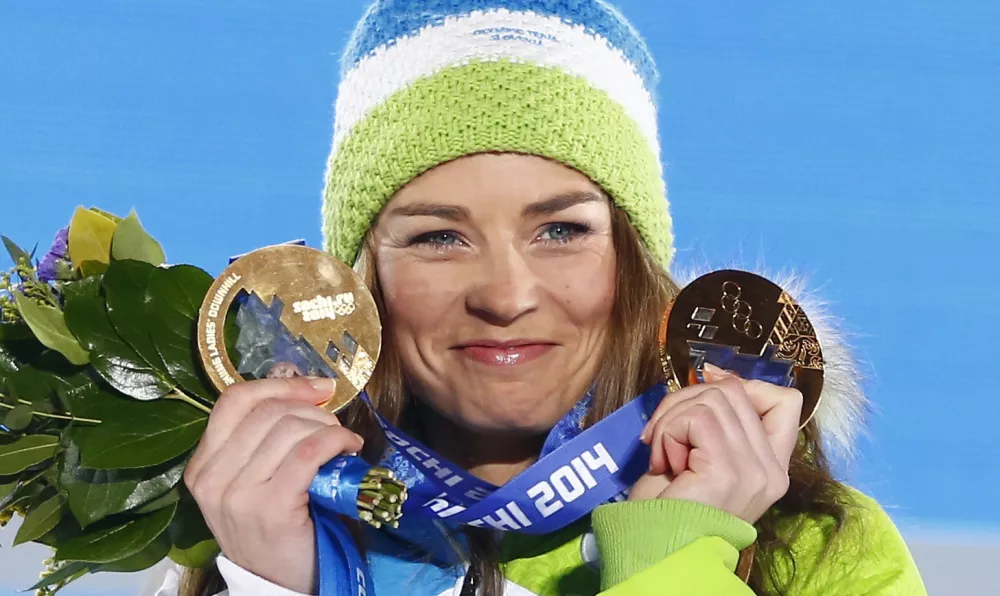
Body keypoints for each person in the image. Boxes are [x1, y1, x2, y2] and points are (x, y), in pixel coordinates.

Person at [151, 1, 926, 594]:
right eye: (438, 237)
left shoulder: (816, 550)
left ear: (632, 257)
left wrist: (677, 552)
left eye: (559, 230)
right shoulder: (258, 526)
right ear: (362, 278)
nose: (506, 295)